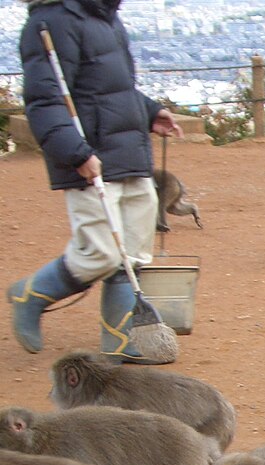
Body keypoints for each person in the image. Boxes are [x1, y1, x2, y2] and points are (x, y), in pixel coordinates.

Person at [9, 0, 183, 364]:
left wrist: (149, 112)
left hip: (130, 152)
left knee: (132, 251)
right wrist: (74, 152)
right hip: (89, 157)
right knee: (101, 252)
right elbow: (45, 100)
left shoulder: (104, 17)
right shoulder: (53, 19)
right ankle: (31, 294)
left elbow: (113, 87)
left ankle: (121, 340)